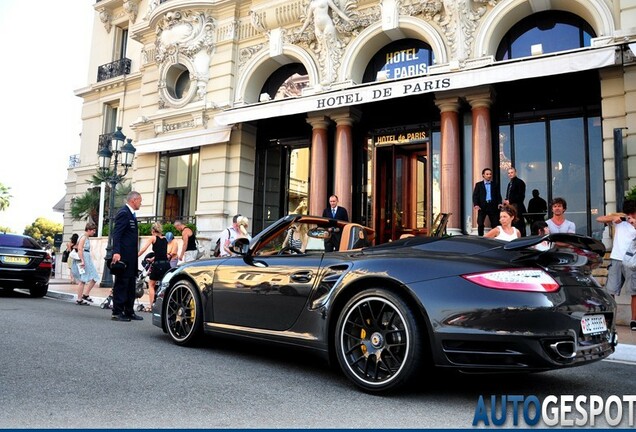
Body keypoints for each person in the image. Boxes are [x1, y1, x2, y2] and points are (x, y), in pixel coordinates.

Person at [597, 199, 636, 331]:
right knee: (610, 291)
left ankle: (634, 321)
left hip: (632, 261)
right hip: (616, 258)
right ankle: (609, 320)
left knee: (634, 292)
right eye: (630, 213)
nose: (632, 215)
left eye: (634, 213)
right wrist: (616, 217)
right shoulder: (620, 220)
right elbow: (599, 219)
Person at [110, 191, 143, 322]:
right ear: (134, 200)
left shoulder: (131, 214)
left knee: (130, 285)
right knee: (121, 284)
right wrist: (116, 252)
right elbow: (116, 234)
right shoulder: (124, 213)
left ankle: (129, 311)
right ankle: (117, 312)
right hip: (123, 256)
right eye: (140, 200)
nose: (141, 203)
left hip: (131, 257)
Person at [138, 222, 171, 311]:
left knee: (151, 284)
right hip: (166, 265)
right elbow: (162, 253)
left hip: (158, 265)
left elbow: (143, 249)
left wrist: (136, 255)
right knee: (164, 284)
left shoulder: (153, 238)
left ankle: (152, 306)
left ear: (153, 230)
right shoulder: (165, 239)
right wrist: (152, 259)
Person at [70, 222, 99, 305]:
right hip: (84, 258)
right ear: (89, 230)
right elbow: (79, 249)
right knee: (83, 279)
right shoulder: (83, 237)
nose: (94, 232)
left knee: (94, 277)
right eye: (93, 230)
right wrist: (82, 260)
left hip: (86, 258)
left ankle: (85, 295)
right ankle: (79, 299)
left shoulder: (85, 237)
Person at [472, 168, 502, 236]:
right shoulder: (478, 185)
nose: (489, 175)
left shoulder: (495, 184)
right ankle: (480, 237)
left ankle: (495, 237)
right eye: (487, 174)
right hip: (482, 206)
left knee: (495, 223)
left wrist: (499, 203)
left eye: (490, 174)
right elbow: (475, 196)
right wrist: (476, 204)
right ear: (483, 175)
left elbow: (498, 195)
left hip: (493, 206)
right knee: (480, 223)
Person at [502, 167, 527, 237]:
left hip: (517, 207)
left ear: (515, 173)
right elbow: (509, 195)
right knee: (511, 223)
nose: (510, 174)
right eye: (509, 173)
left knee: (518, 224)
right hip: (510, 207)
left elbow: (521, 196)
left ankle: (521, 239)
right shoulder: (509, 183)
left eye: (511, 172)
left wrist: (509, 201)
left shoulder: (520, 182)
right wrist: (506, 201)